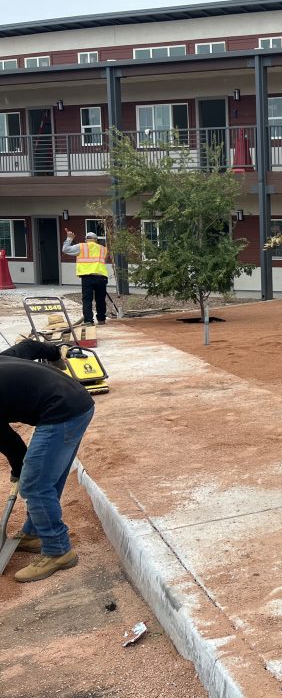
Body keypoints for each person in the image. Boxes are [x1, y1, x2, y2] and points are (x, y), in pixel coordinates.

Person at [0, 342, 95, 583]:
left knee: (34, 484)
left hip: (62, 409)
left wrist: (19, 470)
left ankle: (58, 551)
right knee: (45, 479)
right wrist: (55, 357)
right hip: (74, 399)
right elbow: (28, 346)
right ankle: (33, 534)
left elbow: (11, 444)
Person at [62, 229, 110, 326]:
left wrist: (69, 238)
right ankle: (101, 319)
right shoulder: (103, 249)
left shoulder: (81, 247)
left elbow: (65, 249)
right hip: (101, 277)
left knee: (87, 300)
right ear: (96, 240)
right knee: (100, 299)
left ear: (86, 239)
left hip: (87, 277)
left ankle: (88, 321)